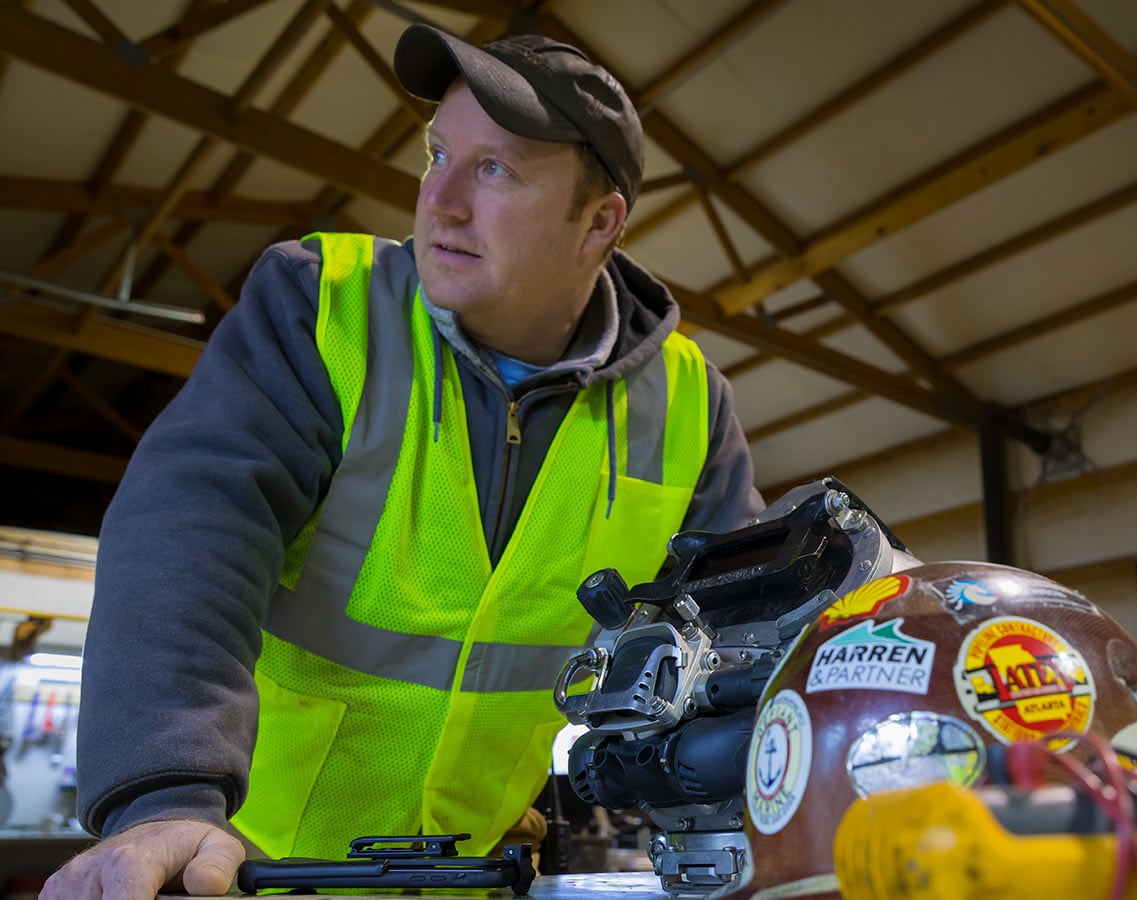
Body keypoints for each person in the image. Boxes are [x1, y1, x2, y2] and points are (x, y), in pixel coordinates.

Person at [41, 25, 762, 900]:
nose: (441, 201)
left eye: (495, 170)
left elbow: (742, 634)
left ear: (599, 222)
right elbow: (192, 532)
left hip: (480, 876)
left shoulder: (688, 406)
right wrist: (165, 797)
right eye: (437, 155)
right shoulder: (322, 307)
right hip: (243, 867)